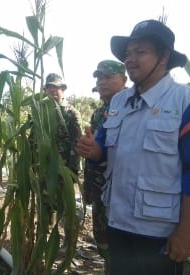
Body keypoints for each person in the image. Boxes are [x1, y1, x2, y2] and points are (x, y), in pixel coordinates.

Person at [76, 19, 190, 275]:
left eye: (140, 52)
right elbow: (104, 148)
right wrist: (93, 150)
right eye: (128, 53)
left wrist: (185, 233)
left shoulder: (188, 103)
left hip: (158, 231)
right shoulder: (118, 102)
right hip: (117, 223)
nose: (130, 59)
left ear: (164, 56)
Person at [83, 60, 127, 274]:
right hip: (100, 190)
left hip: (121, 192)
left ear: (124, 79)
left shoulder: (131, 107)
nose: (102, 82)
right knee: (104, 241)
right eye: (99, 77)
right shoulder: (99, 113)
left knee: (121, 246)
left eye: (108, 77)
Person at [42, 73, 82, 242]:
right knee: (46, 205)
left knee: (67, 208)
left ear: (63, 90)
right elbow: (32, 139)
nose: (53, 91)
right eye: (50, 87)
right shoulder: (41, 111)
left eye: (56, 88)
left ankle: (69, 245)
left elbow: (78, 143)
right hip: (45, 169)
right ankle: (46, 240)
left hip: (65, 169)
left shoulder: (71, 113)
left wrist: (72, 170)